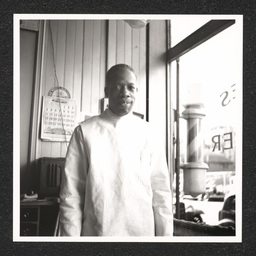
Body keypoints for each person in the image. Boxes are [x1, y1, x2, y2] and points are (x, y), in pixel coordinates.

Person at [59, 64, 173, 236]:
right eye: (118, 86)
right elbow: (71, 195)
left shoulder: (149, 133)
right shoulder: (85, 132)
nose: (125, 93)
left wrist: (165, 240)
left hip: (142, 234)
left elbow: (161, 193)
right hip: (97, 234)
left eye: (131, 87)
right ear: (106, 91)